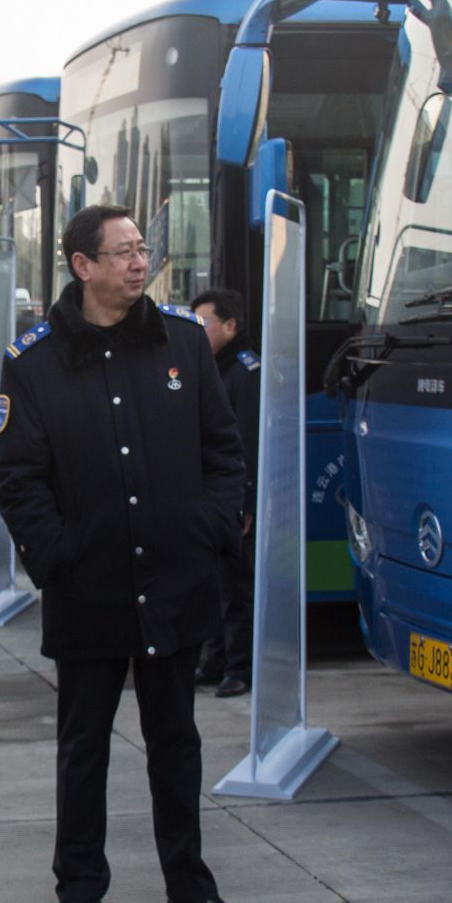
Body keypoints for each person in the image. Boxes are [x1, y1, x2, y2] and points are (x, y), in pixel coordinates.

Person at [0, 204, 248, 903]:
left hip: (174, 579)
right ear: (82, 265)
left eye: (143, 250)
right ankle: (78, 886)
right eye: (124, 252)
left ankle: (189, 882)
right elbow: (17, 478)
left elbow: (223, 452)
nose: (140, 263)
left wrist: (208, 531)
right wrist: (59, 558)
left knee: (176, 742)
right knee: (83, 747)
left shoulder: (183, 342)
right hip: (89, 588)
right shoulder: (34, 361)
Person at [191, 288, 259, 699]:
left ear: (230, 326)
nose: (197, 332)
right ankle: (213, 661)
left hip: (235, 500)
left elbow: (246, 443)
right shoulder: (209, 369)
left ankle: (239, 668)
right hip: (210, 499)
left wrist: (244, 503)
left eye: (204, 324)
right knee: (212, 586)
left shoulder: (246, 373)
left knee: (237, 588)